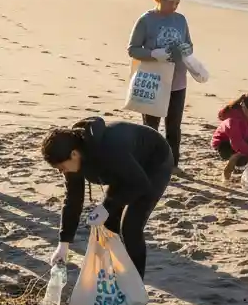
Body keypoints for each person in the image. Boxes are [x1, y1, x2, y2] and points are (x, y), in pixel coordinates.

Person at [42, 117, 173, 278]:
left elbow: (140, 184)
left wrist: (106, 206)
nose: (62, 172)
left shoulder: (108, 149)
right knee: (108, 223)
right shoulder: (72, 159)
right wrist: (63, 244)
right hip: (123, 170)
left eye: (61, 167)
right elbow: (73, 200)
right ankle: (117, 270)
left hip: (154, 162)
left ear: (74, 154)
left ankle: (136, 281)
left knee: (131, 226)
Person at [127, 0, 192, 171]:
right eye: (171, 2)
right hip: (154, 79)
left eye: (178, 3)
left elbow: (189, 43)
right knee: (151, 127)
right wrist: (155, 54)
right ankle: (148, 163)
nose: (175, 7)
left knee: (174, 126)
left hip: (177, 80)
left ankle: (172, 165)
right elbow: (133, 49)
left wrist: (187, 50)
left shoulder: (180, 20)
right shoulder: (146, 20)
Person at [212, 91, 248, 184]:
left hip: (241, 139)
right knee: (243, 156)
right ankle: (230, 166)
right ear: (244, 108)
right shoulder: (233, 120)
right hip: (224, 145)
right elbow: (236, 142)